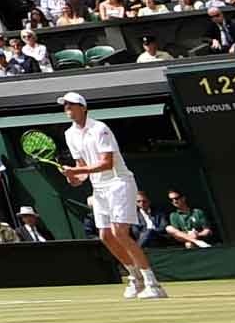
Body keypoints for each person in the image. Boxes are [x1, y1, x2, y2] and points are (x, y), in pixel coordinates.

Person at [53, 90, 164, 301]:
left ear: (83, 107)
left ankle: (153, 284)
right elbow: (82, 167)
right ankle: (136, 278)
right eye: (65, 105)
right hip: (99, 188)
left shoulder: (100, 129)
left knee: (120, 232)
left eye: (71, 104)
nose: (67, 108)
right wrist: (74, 178)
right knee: (105, 236)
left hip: (118, 182)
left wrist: (77, 172)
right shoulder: (69, 134)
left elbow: (107, 163)